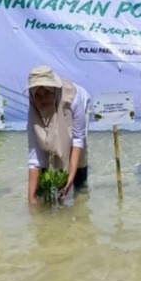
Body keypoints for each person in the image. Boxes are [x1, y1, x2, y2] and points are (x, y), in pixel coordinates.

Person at [26, 65, 91, 204]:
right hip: (55, 110)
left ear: (54, 90)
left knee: (79, 158)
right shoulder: (33, 109)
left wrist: (70, 179)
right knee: (44, 152)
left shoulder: (75, 97)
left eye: (47, 93)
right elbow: (34, 154)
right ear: (32, 94)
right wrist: (31, 198)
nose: (42, 99)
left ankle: (80, 191)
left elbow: (78, 139)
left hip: (76, 110)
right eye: (38, 94)